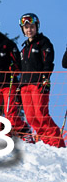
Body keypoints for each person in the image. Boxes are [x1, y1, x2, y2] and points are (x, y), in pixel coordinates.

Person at [18, 13, 65, 148]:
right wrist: (19, 87)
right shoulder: (24, 48)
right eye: (26, 28)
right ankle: (45, 143)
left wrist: (45, 79)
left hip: (38, 84)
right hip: (25, 85)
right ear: (22, 30)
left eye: (32, 27)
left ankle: (57, 144)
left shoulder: (43, 42)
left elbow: (48, 63)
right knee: (31, 117)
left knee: (41, 115)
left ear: (37, 27)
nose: (29, 30)